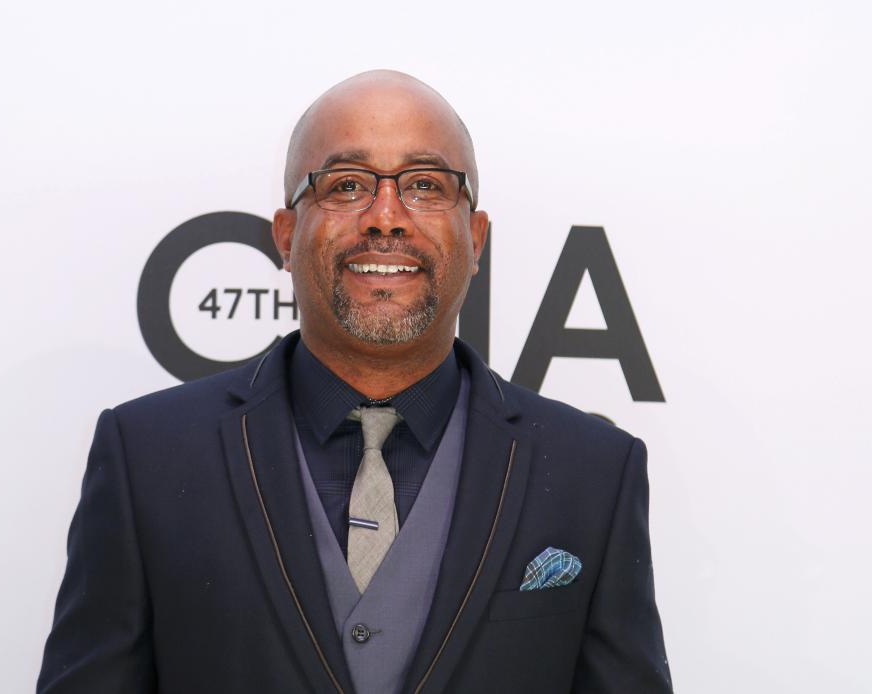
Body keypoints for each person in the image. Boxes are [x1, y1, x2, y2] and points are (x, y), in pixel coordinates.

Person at [38, 70, 673, 693]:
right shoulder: (145, 453)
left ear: (476, 239)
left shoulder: (594, 471)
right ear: (285, 236)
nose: (386, 217)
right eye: (346, 185)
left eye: (425, 184)